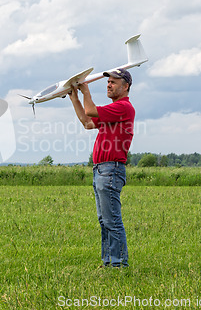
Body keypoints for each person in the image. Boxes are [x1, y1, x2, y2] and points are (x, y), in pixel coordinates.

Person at [69, 68, 135, 267]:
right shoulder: (113, 110)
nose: (109, 84)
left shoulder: (123, 107)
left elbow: (91, 111)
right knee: (104, 220)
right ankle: (109, 261)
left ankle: (119, 263)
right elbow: (88, 122)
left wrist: (85, 91)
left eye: (114, 82)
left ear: (126, 87)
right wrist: (74, 98)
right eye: (108, 82)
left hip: (110, 170)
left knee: (112, 220)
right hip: (101, 170)